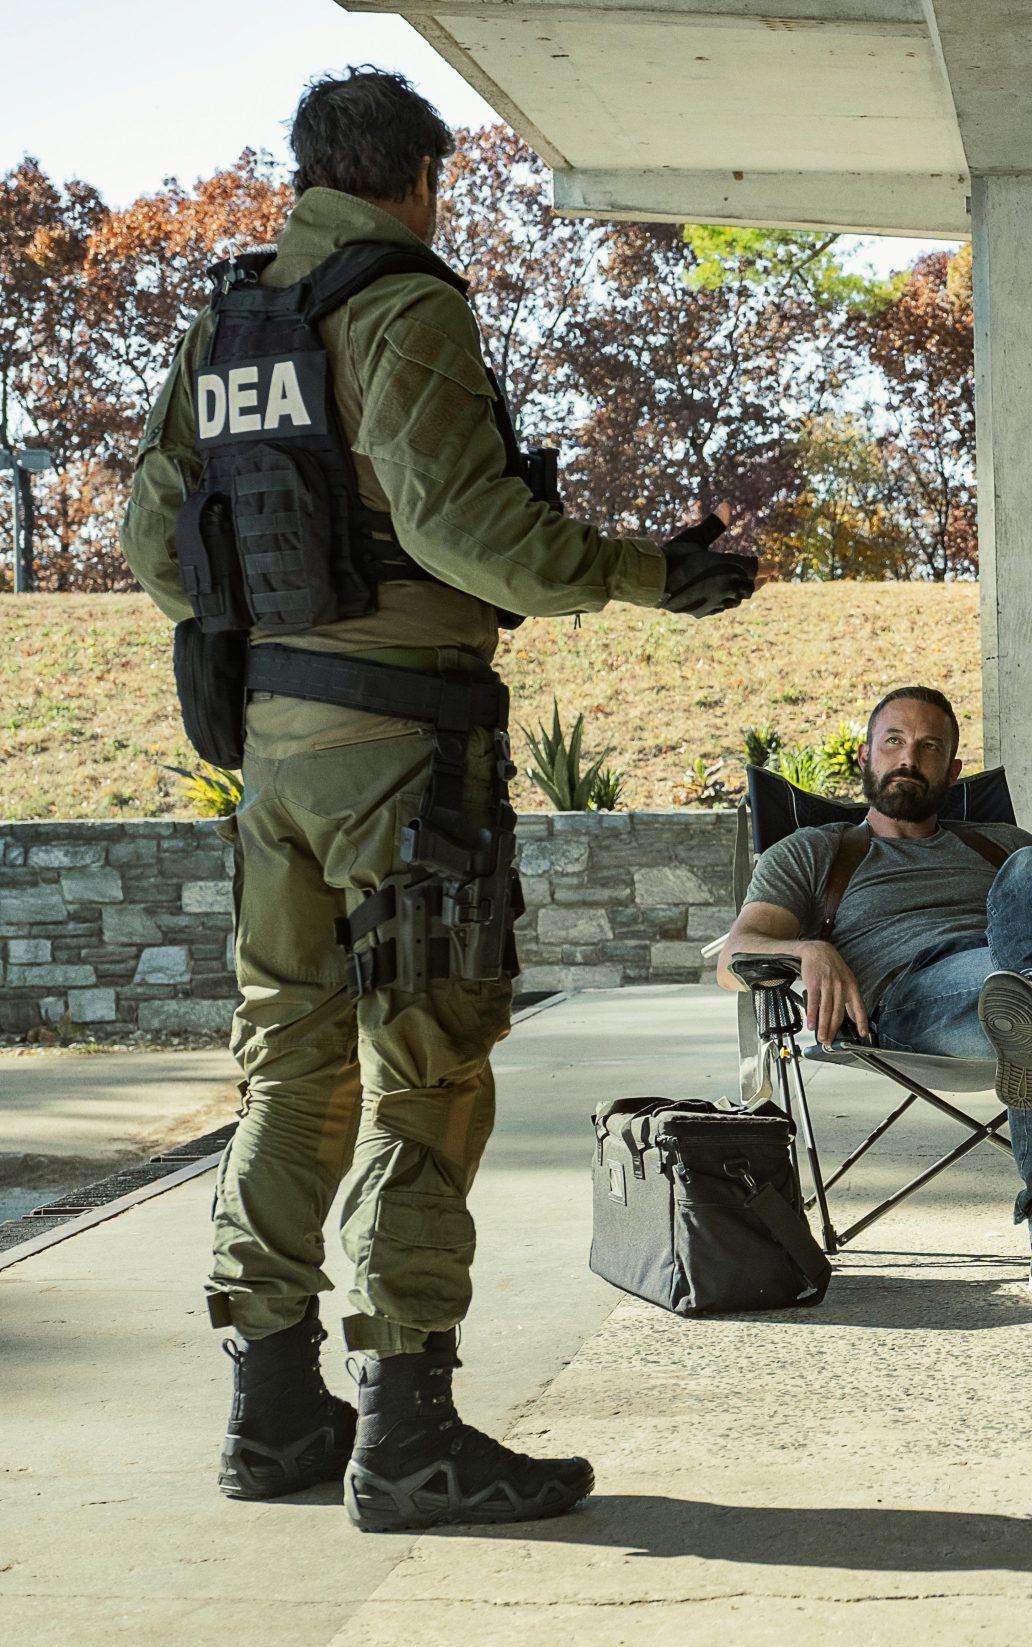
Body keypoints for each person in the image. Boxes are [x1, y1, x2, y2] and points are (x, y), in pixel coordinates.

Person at [122, 69, 765, 1530]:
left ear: (308, 173)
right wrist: (656, 574)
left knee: (291, 1070)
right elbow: (470, 532)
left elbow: (160, 547)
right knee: (427, 1071)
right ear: (421, 177)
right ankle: (408, 1432)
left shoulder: (226, 325)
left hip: (273, 760)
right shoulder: (402, 303)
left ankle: (272, 1412)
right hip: (406, 759)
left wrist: (280, 628)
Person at [717, 686, 1032, 1314]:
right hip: (916, 1005)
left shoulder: (1000, 843)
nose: (908, 758)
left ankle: (1031, 1006)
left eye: (929, 747)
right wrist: (808, 949)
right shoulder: (817, 851)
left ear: (952, 770)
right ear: (865, 756)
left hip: (1029, 986)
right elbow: (734, 959)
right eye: (894, 741)